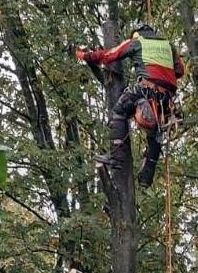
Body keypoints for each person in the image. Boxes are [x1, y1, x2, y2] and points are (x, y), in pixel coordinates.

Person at [76, 22, 184, 187]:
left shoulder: (136, 42)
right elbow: (179, 71)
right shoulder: (168, 45)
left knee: (119, 112)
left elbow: (108, 56)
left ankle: (116, 156)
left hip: (147, 87)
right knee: (156, 132)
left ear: (136, 33)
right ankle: (146, 176)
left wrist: (85, 56)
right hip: (167, 98)